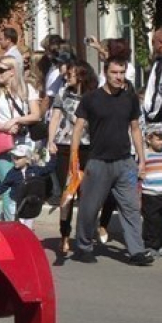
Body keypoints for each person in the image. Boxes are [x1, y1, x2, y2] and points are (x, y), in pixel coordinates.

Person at [71, 57, 153, 265]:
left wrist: (141, 160)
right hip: (98, 162)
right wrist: (74, 157)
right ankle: (83, 246)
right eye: (115, 72)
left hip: (125, 162)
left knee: (131, 208)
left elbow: (135, 129)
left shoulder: (130, 99)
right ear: (105, 73)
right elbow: (78, 127)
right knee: (89, 208)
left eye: (122, 73)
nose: (119, 77)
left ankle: (137, 252)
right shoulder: (91, 99)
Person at [0, 55, 42, 220]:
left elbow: (36, 114)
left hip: (24, 144)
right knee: (9, 186)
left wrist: (17, 120)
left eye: (1, 70)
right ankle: (11, 226)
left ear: (13, 71)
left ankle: (23, 224)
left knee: (25, 186)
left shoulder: (28, 89)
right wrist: (5, 126)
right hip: (2, 143)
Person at [48, 61, 98, 253]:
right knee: (67, 193)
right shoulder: (63, 93)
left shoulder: (92, 97)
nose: (66, 77)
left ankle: (85, 234)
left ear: (81, 75)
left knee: (86, 193)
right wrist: (50, 140)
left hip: (87, 146)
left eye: (70, 74)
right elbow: (55, 117)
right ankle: (64, 234)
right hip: (65, 146)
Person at [0, 144, 56, 229]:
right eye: (14, 157)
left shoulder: (35, 170)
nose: (15, 160)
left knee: (27, 228)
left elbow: (49, 169)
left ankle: (26, 238)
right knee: (18, 227)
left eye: (18, 158)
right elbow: (3, 186)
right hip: (16, 204)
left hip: (30, 204)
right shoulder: (12, 173)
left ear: (27, 159)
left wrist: (53, 155)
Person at [140, 123, 162, 257]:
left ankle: (160, 244)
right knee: (151, 221)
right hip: (149, 194)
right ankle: (149, 246)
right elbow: (138, 172)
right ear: (149, 139)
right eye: (158, 138)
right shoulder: (144, 154)